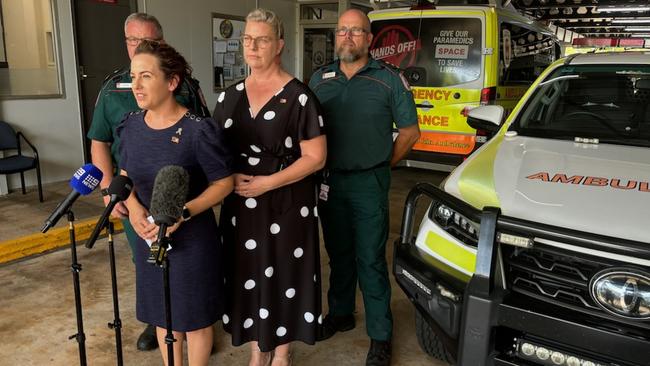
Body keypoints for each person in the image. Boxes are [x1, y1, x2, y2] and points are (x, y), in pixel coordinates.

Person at [86, 12, 210, 351]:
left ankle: (193, 323)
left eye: (149, 40)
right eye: (133, 41)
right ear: (125, 43)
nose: (141, 46)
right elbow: (100, 141)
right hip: (133, 194)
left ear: (163, 41)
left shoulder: (184, 84)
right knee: (147, 263)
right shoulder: (112, 88)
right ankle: (158, 321)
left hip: (181, 194)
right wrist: (112, 195)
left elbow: (204, 141)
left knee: (187, 266)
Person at [214, 8, 327, 366]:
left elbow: (315, 157)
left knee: (283, 276)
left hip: (286, 202)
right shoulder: (228, 96)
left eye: (261, 39)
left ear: (279, 44)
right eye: (247, 39)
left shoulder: (300, 97)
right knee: (248, 274)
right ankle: (255, 351)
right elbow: (213, 151)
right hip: (240, 205)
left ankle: (281, 352)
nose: (252, 45)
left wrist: (268, 182)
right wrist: (229, 177)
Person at [308, 9, 420, 366]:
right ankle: (341, 314)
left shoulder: (389, 79)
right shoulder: (319, 78)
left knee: (370, 259)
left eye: (356, 31)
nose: (348, 37)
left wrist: (384, 163)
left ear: (369, 39)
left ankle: (380, 334)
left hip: (369, 183)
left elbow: (410, 132)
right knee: (338, 255)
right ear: (336, 36)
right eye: (343, 30)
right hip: (329, 183)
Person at [118, 40, 233, 366]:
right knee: (163, 317)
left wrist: (185, 211)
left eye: (146, 76)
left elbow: (224, 182)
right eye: (133, 76)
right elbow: (125, 176)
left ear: (172, 82)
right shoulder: (131, 126)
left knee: (193, 319)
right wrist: (136, 210)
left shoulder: (198, 131)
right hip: (149, 238)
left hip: (192, 239)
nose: (136, 85)